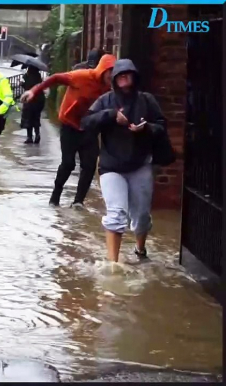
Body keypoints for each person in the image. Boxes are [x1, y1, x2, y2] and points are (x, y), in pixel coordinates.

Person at [80, 59, 166, 263]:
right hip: (111, 167)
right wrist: (110, 116)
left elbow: (162, 126)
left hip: (140, 165)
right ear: (115, 79)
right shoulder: (105, 101)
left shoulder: (147, 100)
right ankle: (113, 264)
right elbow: (86, 122)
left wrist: (146, 128)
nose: (126, 81)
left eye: (129, 76)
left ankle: (140, 248)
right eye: (121, 76)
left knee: (141, 216)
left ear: (136, 77)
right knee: (116, 213)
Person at [21, 54, 116, 208]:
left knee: (89, 165)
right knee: (68, 163)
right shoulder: (81, 76)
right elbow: (56, 78)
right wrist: (34, 91)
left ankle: (78, 201)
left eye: (115, 72)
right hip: (69, 125)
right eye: (110, 72)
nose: (112, 76)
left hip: (89, 128)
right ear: (103, 70)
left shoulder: (110, 88)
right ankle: (55, 197)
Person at [20, 65, 45, 144]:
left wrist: (22, 84)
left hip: (30, 101)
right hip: (39, 100)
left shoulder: (27, 77)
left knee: (28, 119)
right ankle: (37, 135)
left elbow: (28, 88)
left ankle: (29, 137)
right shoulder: (39, 77)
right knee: (36, 118)